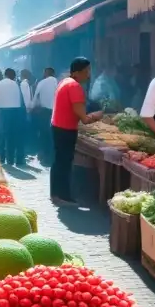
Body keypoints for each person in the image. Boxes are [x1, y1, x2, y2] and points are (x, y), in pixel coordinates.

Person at [50, 57, 103, 205]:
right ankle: (63, 196)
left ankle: (55, 194)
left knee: (58, 162)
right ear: (77, 72)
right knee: (65, 163)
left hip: (57, 126)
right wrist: (98, 115)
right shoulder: (75, 87)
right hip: (66, 129)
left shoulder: (64, 82)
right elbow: (84, 119)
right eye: (86, 71)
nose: (89, 74)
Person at [0, 67, 28, 166]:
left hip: (2, 112)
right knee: (11, 136)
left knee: (1, 136)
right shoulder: (16, 85)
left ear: (5, 75)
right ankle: (10, 160)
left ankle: (2, 158)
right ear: (13, 76)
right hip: (15, 112)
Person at [32, 67, 58, 163]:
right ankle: (52, 156)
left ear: (45, 73)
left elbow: (35, 98)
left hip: (44, 112)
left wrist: (31, 107)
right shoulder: (58, 83)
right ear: (54, 74)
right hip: (56, 112)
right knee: (53, 134)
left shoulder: (41, 83)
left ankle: (43, 156)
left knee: (43, 134)